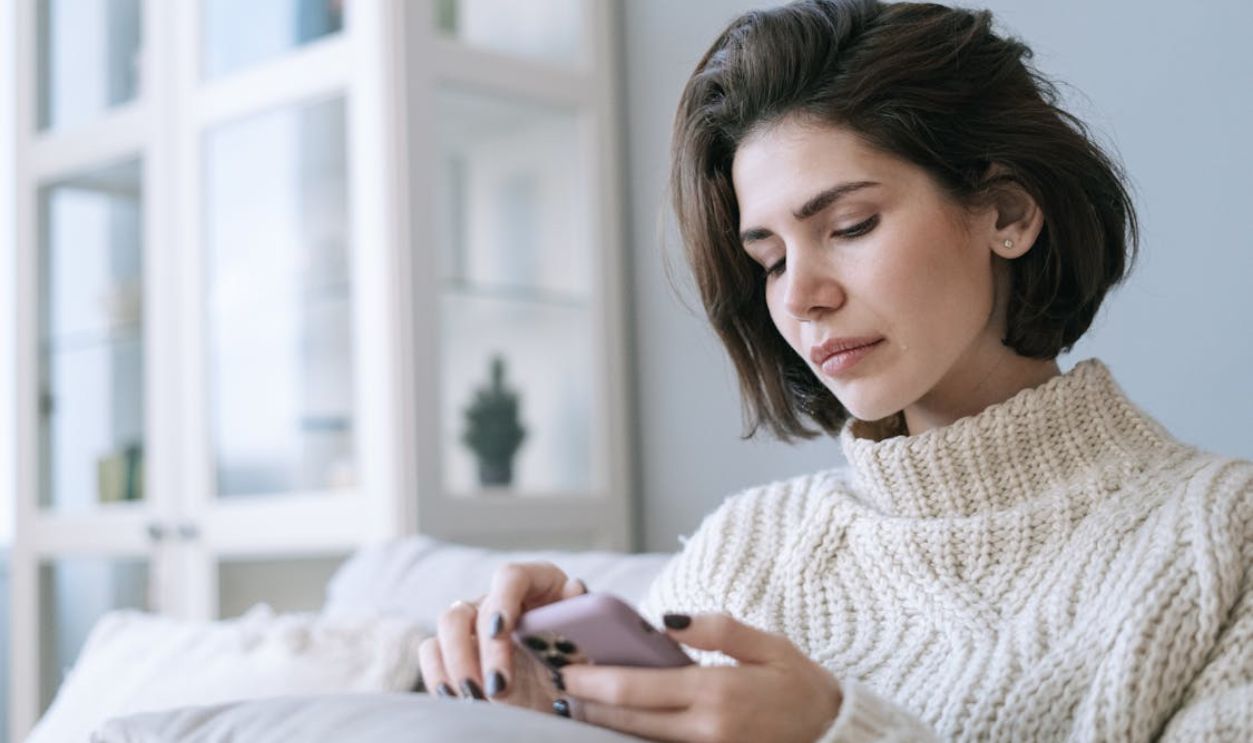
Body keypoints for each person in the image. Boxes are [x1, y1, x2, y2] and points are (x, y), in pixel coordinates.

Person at [418, 0, 1253, 740]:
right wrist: (553, 709)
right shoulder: (744, 551)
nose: (802, 296)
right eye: (770, 259)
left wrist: (835, 732)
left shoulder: (1225, 540)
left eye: (849, 225)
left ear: (1005, 211)